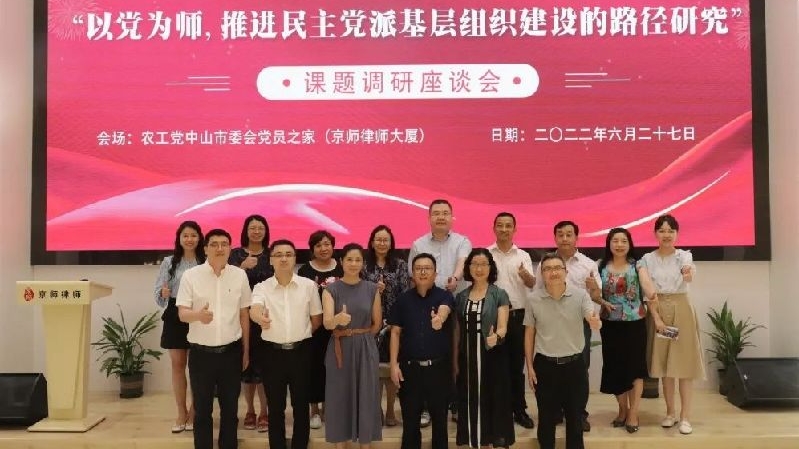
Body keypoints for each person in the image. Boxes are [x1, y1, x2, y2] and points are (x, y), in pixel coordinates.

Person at [177, 229, 252, 449]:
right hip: (201, 355)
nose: (220, 248)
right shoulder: (191, 276)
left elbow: (244, 315)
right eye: (214, 244)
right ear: (205, 248)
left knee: (230, 410)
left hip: (231, 353)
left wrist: (246, 351)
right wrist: (198, 316)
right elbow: (182, 314)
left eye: (224, 244)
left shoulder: (239, 276)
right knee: (202, 411)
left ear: (230, 248)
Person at [250, 239, 323, 449]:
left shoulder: (308, 286)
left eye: (288, 254)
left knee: (301, 406)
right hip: (272, 355)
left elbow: (316, 319)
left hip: (301, 353)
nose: (284, 258)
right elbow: (254, 309)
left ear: (295, 259)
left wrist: (300, 333)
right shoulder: (262, 287)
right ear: (271, 260)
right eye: (279, 255)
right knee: (275, 408)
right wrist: (260, 318)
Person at [524, 253, 602, 449]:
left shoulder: (580, 295)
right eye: (548, 269)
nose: (553, 272)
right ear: (542, 274)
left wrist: (594, 321)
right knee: (546, 419)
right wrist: (530, 367)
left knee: (575, 419)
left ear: (566, 272)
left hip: (574, 366)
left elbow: (591, 316)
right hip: (545, 366)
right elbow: (530, 334)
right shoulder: (533, 299)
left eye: (557, 268)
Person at [637, 214, 705, 435]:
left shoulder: (684, 255)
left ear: (677, 233)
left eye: (670, 231)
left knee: (683, 364)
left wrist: (687, 272)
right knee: (666, 364)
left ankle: (685, 417)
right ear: (655, 233)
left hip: (681, 308)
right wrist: (656, 315)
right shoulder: (647, 259)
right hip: (658, 309)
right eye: (662, 230)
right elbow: (646, 287)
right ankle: (670, 412)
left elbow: (688, 276)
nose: (666, 235)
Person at [408, 199, 471, 425]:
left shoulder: (463, 241)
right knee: (429, 357)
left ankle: (455, 404)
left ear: (452, 217)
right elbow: (412, 277)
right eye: (436, 213)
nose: (441, 217)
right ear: (429, 218)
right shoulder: (418, 244)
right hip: (427, 308)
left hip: (457, 306)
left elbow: (463, 262)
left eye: (445, 213)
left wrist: (455, 277)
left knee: (457, 356)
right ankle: (426, 407)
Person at [533, 221, 600, 431]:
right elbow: (537, 292)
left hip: (578, 325)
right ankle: (555, 411)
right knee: (552, 371)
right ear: (555, 238)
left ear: (576, 238)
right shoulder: (545, 264)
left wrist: (594, 288)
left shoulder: (588, 264)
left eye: (569, 234)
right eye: (560, 234)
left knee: (580, 369)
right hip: (550, 325)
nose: (564, 238)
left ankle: (579, 413)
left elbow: (596, 296)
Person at [389, 253, 455, 449]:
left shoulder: (444, 296)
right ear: (412, 273)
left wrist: (439, 319)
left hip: (438, 369)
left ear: (435, 274)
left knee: (440, 422)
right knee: (410, 423)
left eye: (427, 268)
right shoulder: (403, 300)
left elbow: (445, 309)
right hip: (410, 370)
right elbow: (395, 333)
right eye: (418, 268)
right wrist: (393, 365)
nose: (423, 272)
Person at [453, 248, 515, 448]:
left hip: (492, 356)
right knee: (470, 399)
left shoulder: (499, 294)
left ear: (490, 268)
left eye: (483, 264)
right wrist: (455, 359)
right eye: (475, 264)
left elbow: (503, 326)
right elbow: (457, 331)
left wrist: (497, 336)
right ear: (468, 268)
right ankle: (475, 441)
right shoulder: (461, 296)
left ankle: (493, 441)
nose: (479, 269)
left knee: (494, 399)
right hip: (468, 358)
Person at [322, 243, 383, 447]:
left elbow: (377, 323)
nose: (353, 263)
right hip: (339, 346)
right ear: (341, 261)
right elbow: (327, 323)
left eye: (358, 260)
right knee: (338, 396)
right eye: (349, 259)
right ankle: (340, 444)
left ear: (363, 263)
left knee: (366, 395)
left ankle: (365, 444)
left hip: (365, 346)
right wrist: (337, 319)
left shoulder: (372, 289)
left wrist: (361, 337)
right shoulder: (330, 290)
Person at [595, 228, 655, 433]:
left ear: (629, 244)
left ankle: (634, 413)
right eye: (615, 241)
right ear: (609, 244)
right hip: (610, 324)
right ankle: (622, 409)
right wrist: (595, 294)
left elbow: (646, 285)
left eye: (623, 241)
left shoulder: (638, 265)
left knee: (635, 369)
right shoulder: (600, 266)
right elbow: (594, 293)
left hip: (634, 323)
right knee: (615, 368)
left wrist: (650, 290)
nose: (619, 245)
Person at [154, 220, 205, 433]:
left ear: (199, 238)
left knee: (198, 367)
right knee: (178, 365)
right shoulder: (169, 261)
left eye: (193, 235)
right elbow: (158, 293)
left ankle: (194, 412)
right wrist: (163, 293)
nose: (189, 239)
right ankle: (181, 412)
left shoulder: (205, 260)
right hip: (175, 313)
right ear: (179, 238)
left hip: (198, 313)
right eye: (186, 235)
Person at [487, 212, 536, 429]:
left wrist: (525, 276)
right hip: (493, 317)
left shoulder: (523, 255)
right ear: (494, 228)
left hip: (517, 317)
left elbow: (533, 284)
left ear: (515, 229)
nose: (504, 229)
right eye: (500, 225)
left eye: (508, 226)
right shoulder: (486, 254)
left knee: (516, 367)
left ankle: (519, 409)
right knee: (496, 367)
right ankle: (498, 411)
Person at [362, 225, 410, 427]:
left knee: (392, 367)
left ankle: (390, 409)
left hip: (394, 325)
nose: (382, 243)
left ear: (391, 243)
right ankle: (376, 410)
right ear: (372, 242)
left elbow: (405, 293)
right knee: (372, 369)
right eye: (378, 239)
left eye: (386, 240)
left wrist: (396, 321)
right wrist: (373, 290)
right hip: (369, 323)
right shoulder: (364, 265)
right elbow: (357, 293)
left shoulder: (400, 265)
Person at [228, 215, 273, 432]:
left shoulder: (272, 254)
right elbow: (226, 282)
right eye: (252, 228)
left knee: (264, 367)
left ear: (266, 231)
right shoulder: (235, 255)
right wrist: (242, 267)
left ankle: (264, 411)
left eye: (260, 228)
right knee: (246, 368)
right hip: (241, 317)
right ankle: (250, 410)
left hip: (266, 317)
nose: (256, 232)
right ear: (246, 231)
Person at [297, 230, 343, 429]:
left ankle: (329, 407)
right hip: (314, 328)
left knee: (334, 368)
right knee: (313, 367)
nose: (323, 248)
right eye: (318, 245)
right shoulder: (305, 270)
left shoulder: (341, 267)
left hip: (338, 328)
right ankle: (314, 409)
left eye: (327, 244)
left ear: (333, 246)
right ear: (312, 249)